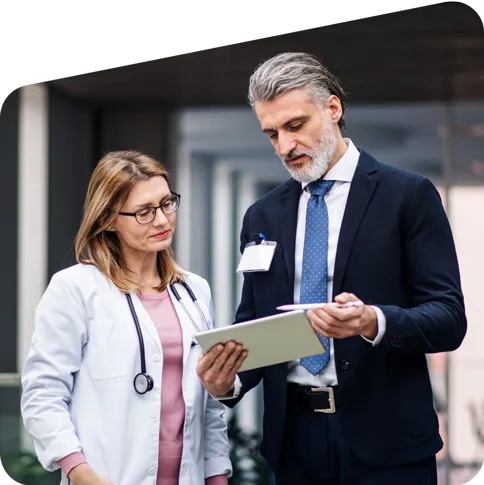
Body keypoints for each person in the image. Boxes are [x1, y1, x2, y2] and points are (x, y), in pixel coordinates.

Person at [196, 52, 467, 485]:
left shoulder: (408, 196)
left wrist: (370, 321)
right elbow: (257, 323)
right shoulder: (261, 216)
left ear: (333, 109)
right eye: (271, 134)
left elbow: (448, 319)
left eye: (295, 125)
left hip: (387, 443)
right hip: (294, 444)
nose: (285, 146)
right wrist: (225, 381)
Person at [20, 150, 232, 485]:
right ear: (107, 219)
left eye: (166, 204)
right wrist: (82, 473)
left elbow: (208, 408)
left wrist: (217, 478)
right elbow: (43, 393)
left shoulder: (194, 290)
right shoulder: (75, 289)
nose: (162, 220)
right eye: (145, 212)